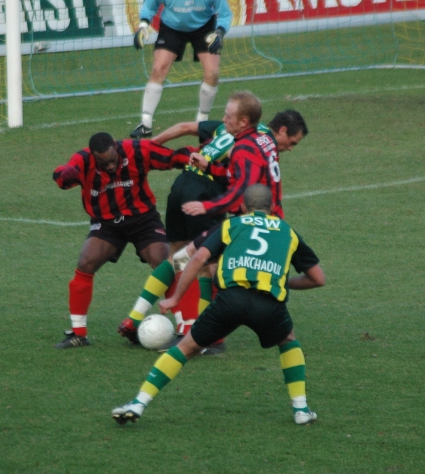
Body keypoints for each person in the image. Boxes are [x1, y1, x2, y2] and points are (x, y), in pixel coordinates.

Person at [111, 184, 326, 426]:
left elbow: (198, 258)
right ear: (273, 208)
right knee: (288, 341)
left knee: (185, 348)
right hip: (268, 305)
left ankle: (139, 403)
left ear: (243, 207)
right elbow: (318, 278)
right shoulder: (289, 233)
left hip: (230, 300)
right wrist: (284, 283)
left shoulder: (231, 225)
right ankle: (301, 410)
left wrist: (175, 298)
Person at [118, 105, 309, 352]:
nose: (291, 147)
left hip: (183, 184)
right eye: (292, 141)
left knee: (177, 256)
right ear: (281, 130)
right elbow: (242, 183)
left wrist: (148, 147)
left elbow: (185, 127)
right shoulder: (260, 142)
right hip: (207, 191)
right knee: (209, 267)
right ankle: (200, 334)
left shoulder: (233, 128)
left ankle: (134, 319)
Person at [52, 132, 194, 349]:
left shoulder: (136, 150)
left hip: (143, 219)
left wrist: (192, 158)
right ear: (94, 156)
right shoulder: (83, 160)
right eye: (103, 163)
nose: (109, 167)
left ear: (117, 149)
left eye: (112, 161)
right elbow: (63, 177)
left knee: (165, 262)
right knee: (86, 262)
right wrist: (65, 174)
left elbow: (171, 158)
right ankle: (78, 333)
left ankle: (184, 330)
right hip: (107, 223)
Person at [129, 0, 233, 139]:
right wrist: (143, 26)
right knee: (158, 69)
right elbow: (149, 6)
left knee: (212, 73)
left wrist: (220, 33)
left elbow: (225, 14)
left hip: (205, 27)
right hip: (172, 28)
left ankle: (201, 123)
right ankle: (145, 124)